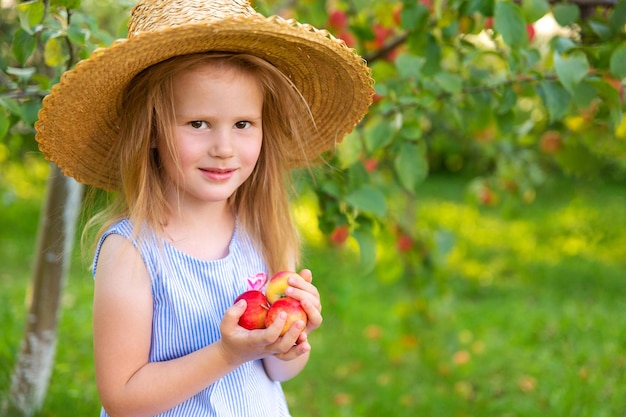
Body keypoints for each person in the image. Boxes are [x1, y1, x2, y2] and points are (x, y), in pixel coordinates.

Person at [35, 0, 373, 415]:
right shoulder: (132, 251)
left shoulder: (263, 231)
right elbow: (122, 398)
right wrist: (226, 354)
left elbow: (279, 371)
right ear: (153, 131)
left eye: (243, 124)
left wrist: (290, 341)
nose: (224, 148)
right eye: (198, 123)